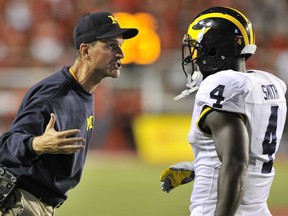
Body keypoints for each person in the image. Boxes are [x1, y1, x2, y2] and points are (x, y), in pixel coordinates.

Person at [0, 11, 138, 215]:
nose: (121, 53)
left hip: (35, 202)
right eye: (111, 45)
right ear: (85, 51)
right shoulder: (54, 94)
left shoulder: (84, 91)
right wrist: (36, 144)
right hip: (20, 201)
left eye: (120, 45)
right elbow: (5, 147)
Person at [160, 6, 287, 216]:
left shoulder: (221, 85)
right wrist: (200, 167)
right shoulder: (268, 83)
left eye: (197, 48)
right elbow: (251, 154)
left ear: (213, 50)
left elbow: (237, 162)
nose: (193, 56)